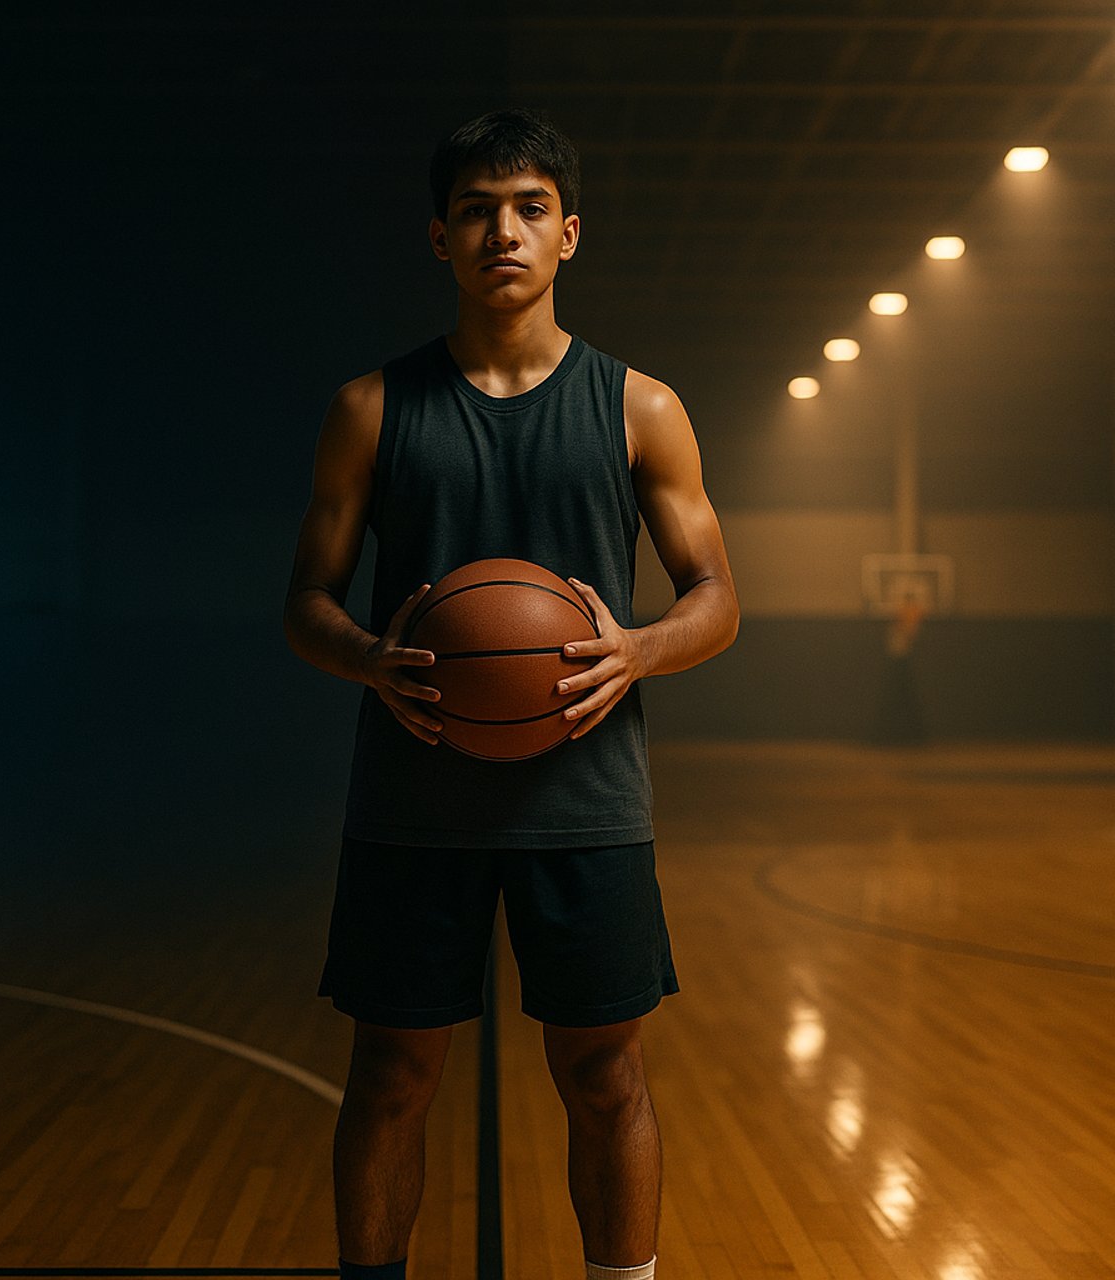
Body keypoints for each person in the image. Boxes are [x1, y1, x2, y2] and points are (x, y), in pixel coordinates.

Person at [283, 107, 739, 1280]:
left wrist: (638, 648)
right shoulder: (371, 409)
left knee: (604, 1073)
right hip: (412, 798)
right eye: (478, 209)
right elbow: (307, 604)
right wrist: (367, 657)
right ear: (440, 237)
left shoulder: (641, 406)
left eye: (530, 207)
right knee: (390, 1072)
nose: (505, 230)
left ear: (570, 232)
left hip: (584, 797)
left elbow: (717, 598)